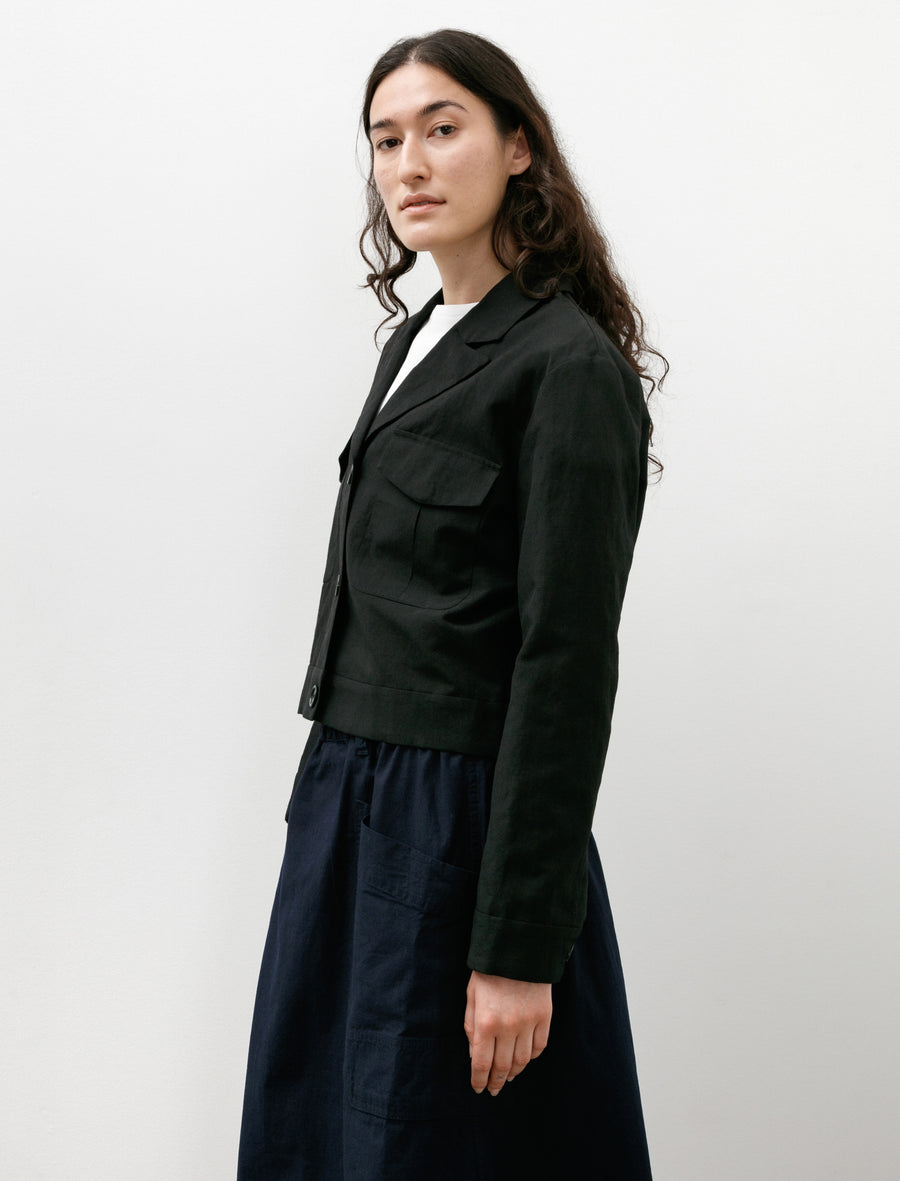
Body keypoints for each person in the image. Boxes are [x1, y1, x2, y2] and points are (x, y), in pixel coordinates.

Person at [237, 28, 665, 1180]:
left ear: (519, 146)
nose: (409, 164)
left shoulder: (567, 367)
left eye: (442, 128)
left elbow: (565, 664)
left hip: (455, 833)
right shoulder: (415, 338)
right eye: (386, 140)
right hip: (349, 804)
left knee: (434, 1148)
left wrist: (519, 945)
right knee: (325, 1137)